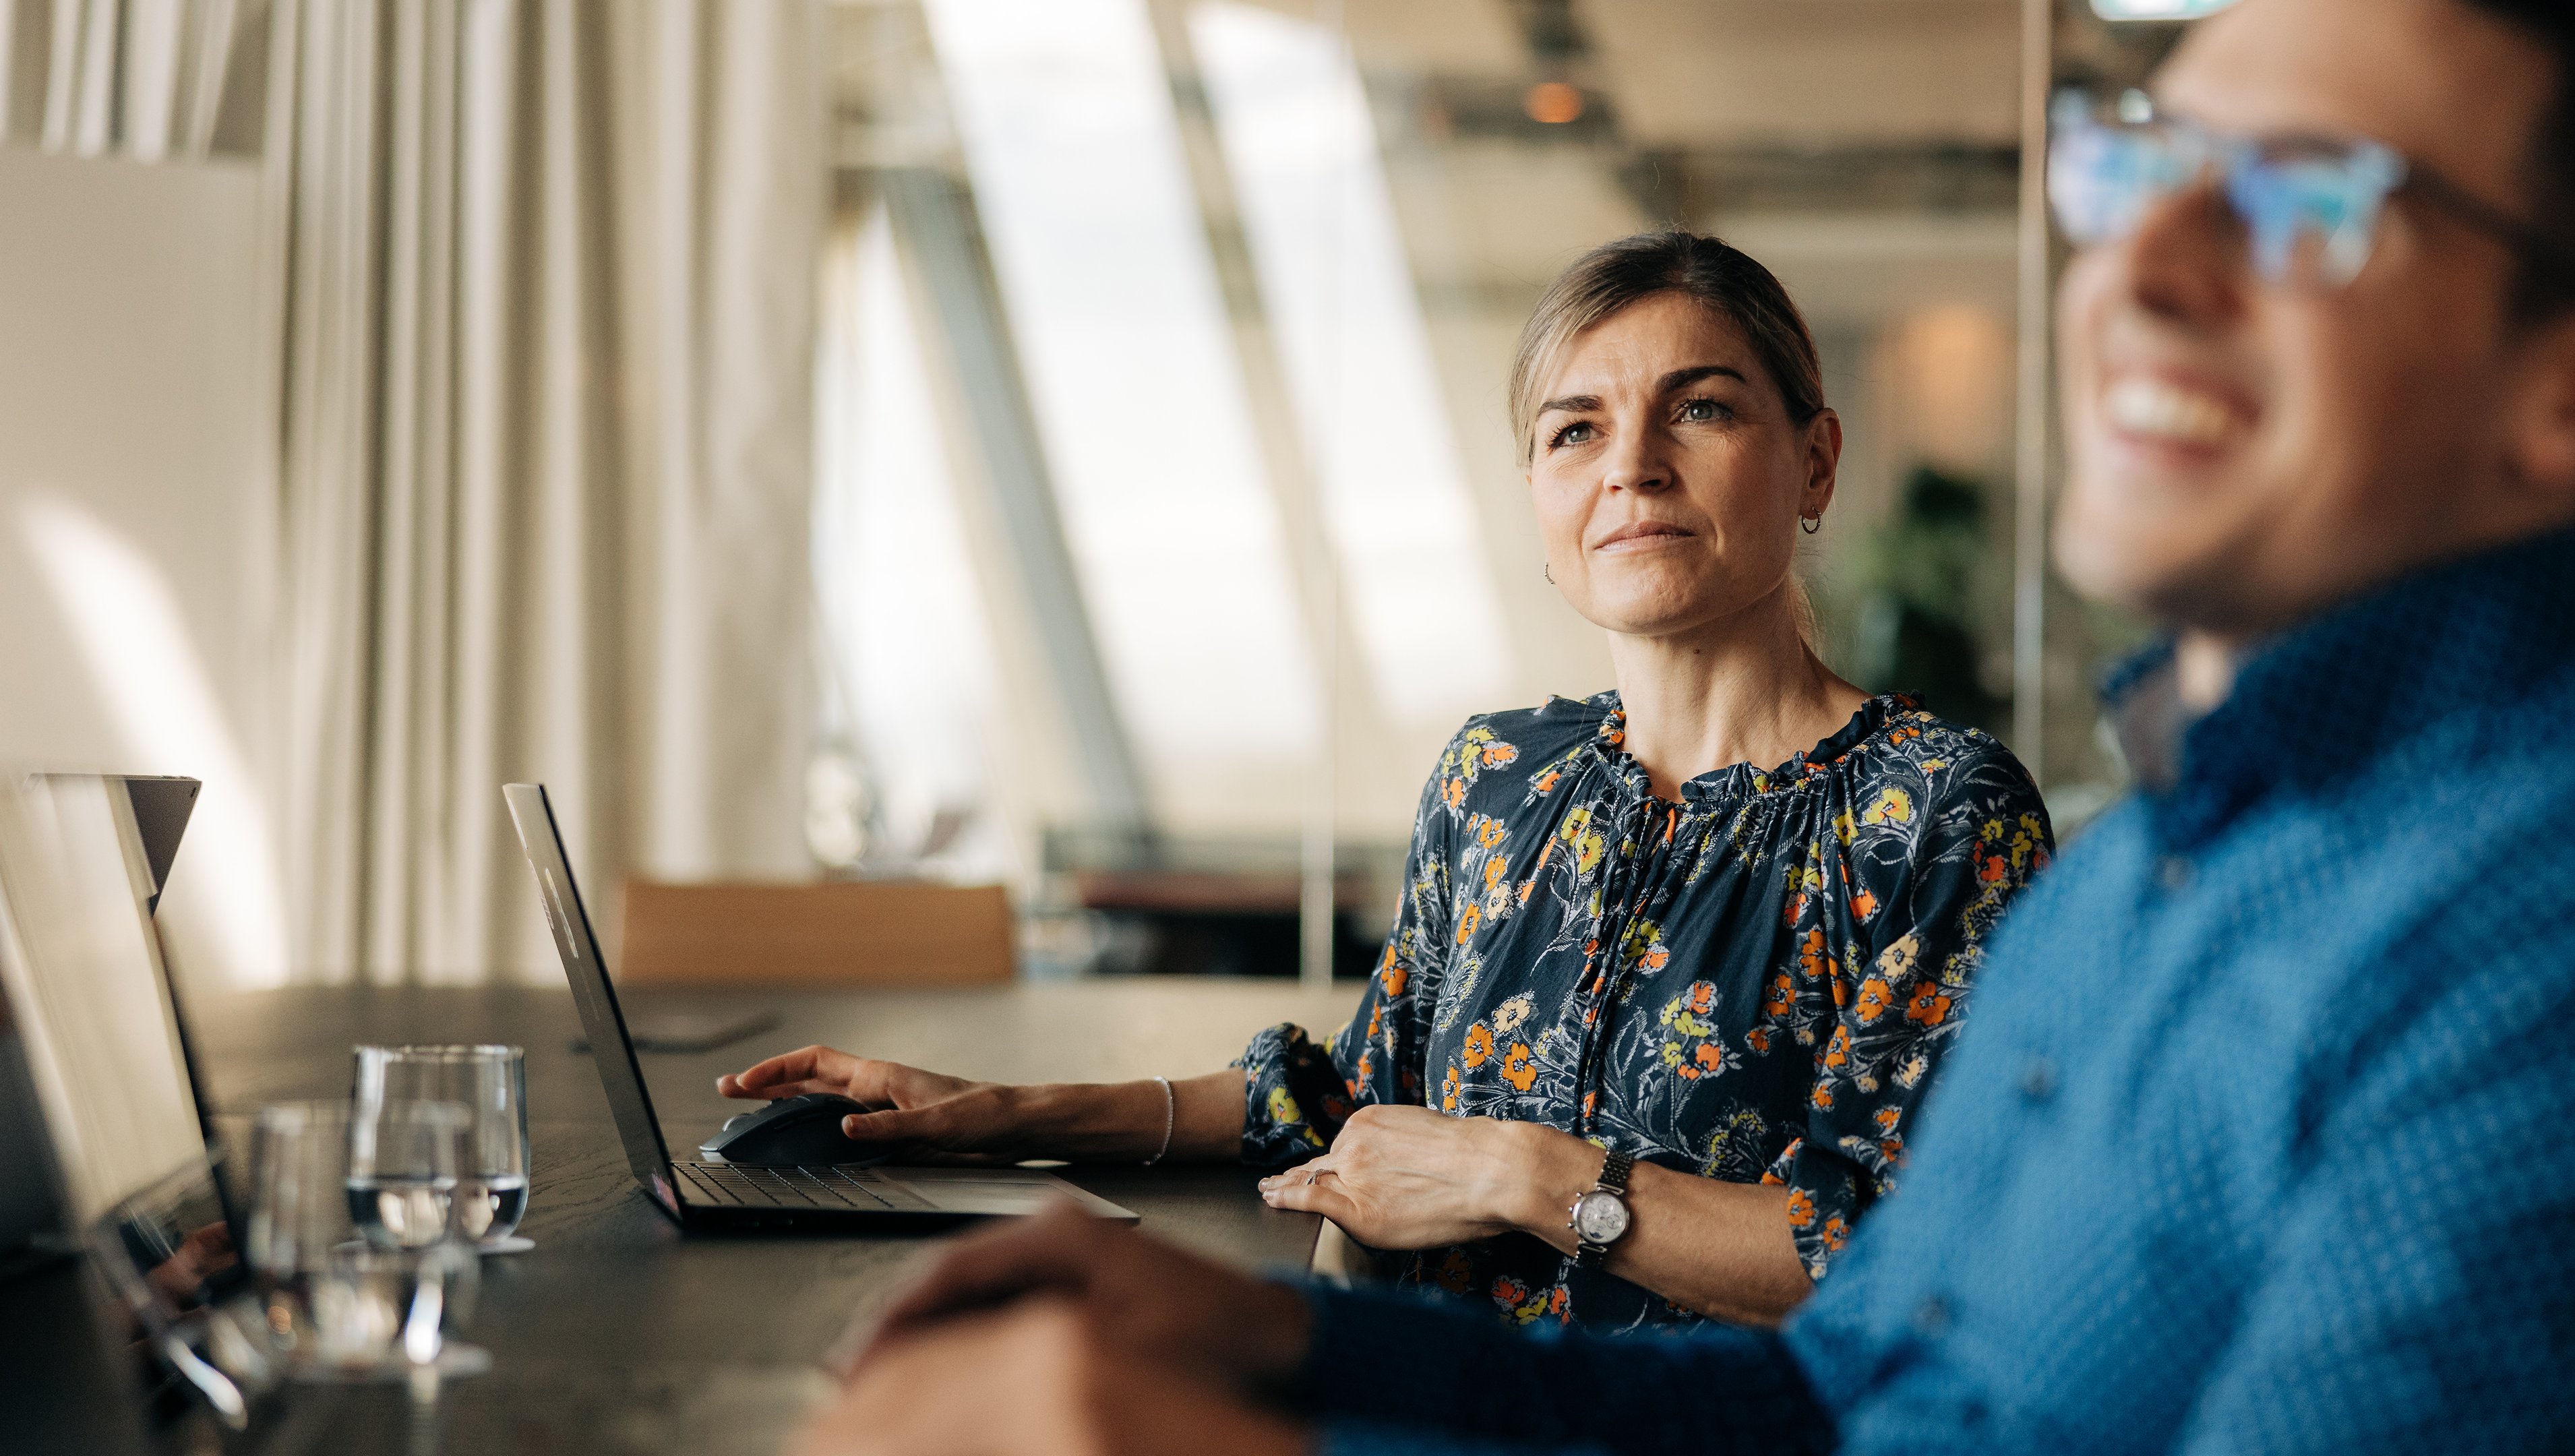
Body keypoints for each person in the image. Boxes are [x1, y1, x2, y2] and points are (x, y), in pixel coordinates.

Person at [784, 0, 2575, 1451]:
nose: (2138, 261)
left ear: (1811, 461)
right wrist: (1264, 1342)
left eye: (2307, 194)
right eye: (2133, 172)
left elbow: (1823, 1286)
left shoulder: (2488, 930)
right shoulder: (2145, 890)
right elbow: (1833, 1394)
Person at [723, 235, 2051, 1330]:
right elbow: (1362, 1093)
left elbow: (1893, 1261)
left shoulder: (1936, 814)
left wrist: (1520, 1174)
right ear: (1537, 491)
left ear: (1812, 460)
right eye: (1573, 430)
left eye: (1697, 409)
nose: (1630, 465)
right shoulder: (1493, 776)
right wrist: (993, 1113)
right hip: (1430, 1395)